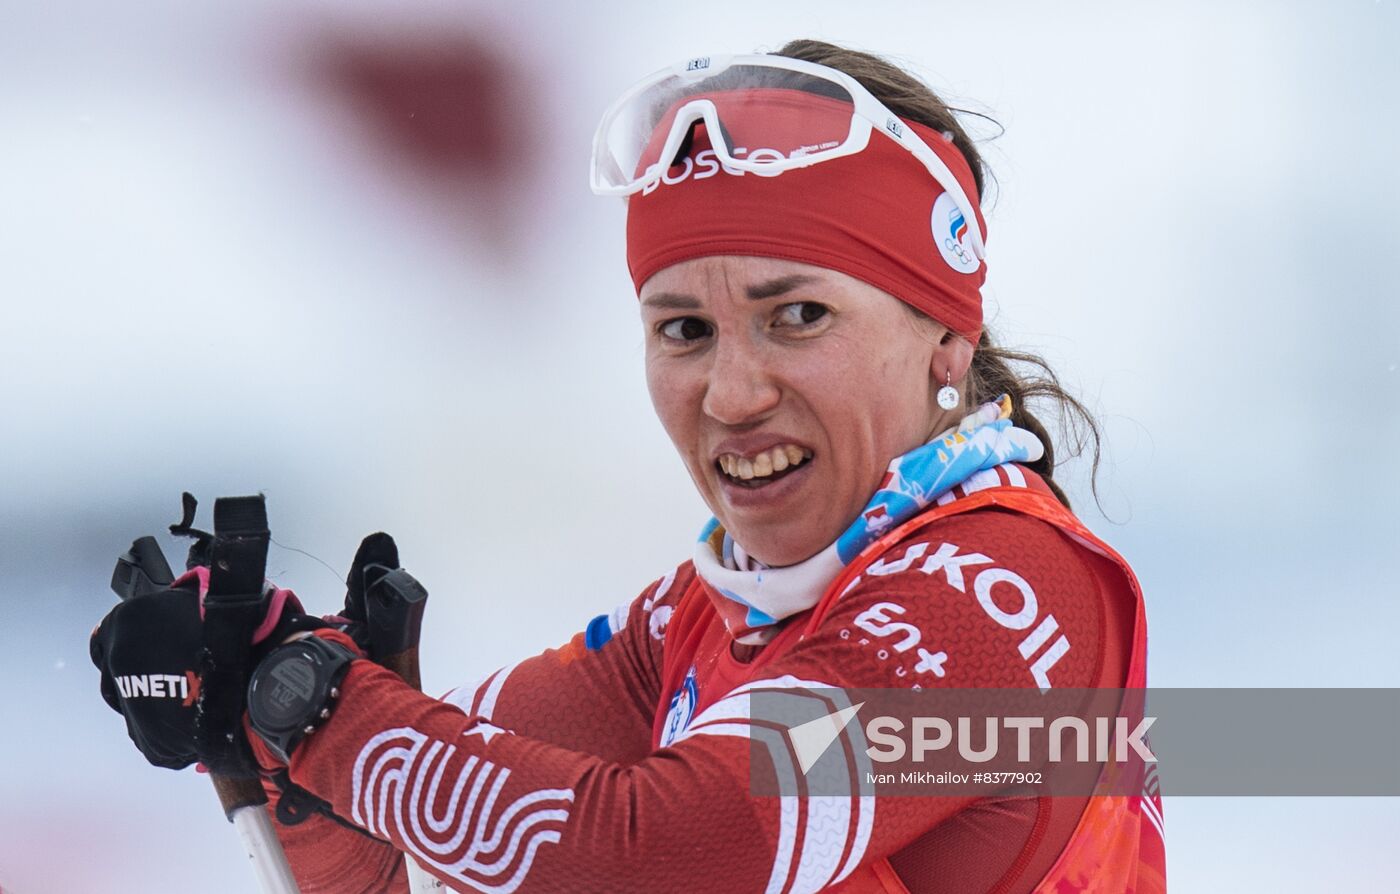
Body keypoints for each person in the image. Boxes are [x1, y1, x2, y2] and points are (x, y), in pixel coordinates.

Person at [90, 40, 1166, 893]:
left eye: (796, 316)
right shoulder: (701, 619)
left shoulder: (1006, 601)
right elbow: (420, 863)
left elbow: (654, 855)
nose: (731, 394)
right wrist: (265, 729)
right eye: (684, 331)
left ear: (944, 341)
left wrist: (319, 710)